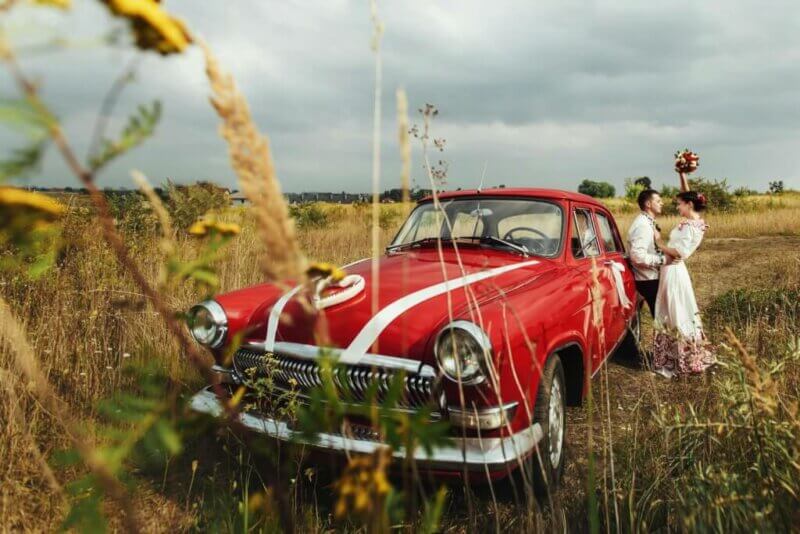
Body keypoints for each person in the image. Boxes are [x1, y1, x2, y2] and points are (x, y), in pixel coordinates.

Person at [651, 172, 715, 377]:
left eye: (680, 204)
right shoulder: (692, 220)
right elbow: (687, 194)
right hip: (672, 269)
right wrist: (682, 174)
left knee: (675, 311)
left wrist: (658, 242)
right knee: (671, 309)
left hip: (675, 270)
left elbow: (680, 252)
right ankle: (674, 356)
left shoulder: (693, 227)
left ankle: (682, 359)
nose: (677, 207)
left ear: (689, 205)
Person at [627, 189, 668, 317]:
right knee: (661, 318)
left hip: (651, 277)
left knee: (661, 318)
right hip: (648, 279)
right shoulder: (643, 225)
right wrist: (663, 260)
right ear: (648, 204)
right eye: (658, 201)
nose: (662, 203)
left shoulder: (646, 221)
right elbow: (637, 256)